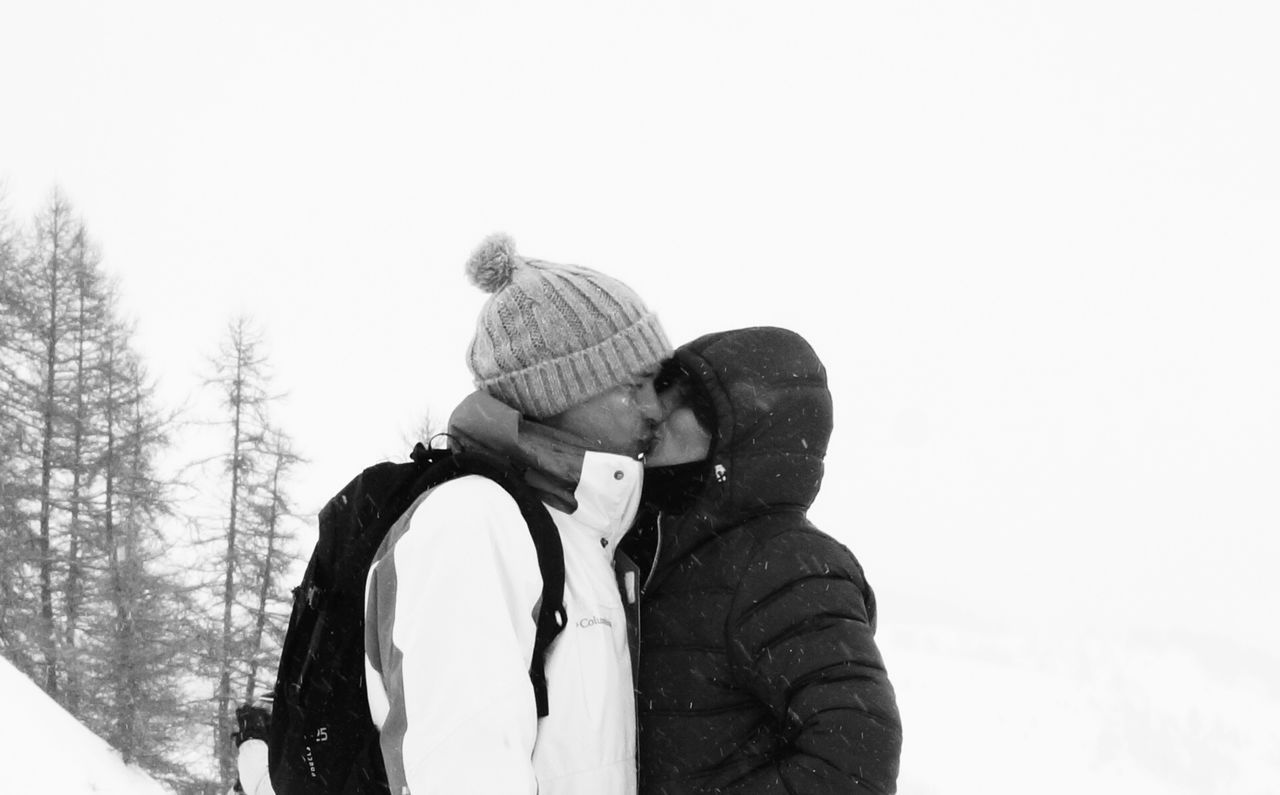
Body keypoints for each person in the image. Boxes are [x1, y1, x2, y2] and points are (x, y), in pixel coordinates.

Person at [451, 325, 903, 794]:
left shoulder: (788, 562)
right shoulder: (638, 538)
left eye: (690, 401)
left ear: (743, 434)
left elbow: (856, 757)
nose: (658, 409)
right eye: (663, 386)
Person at [362, 233, 672, 794]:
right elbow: (464, 773)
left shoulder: (583, 540)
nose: (655, 409)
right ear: (557, 389)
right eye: (635, 385)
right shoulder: (474, 523)